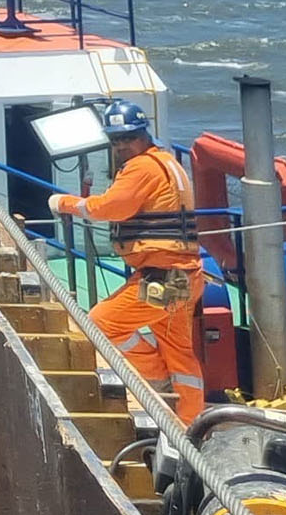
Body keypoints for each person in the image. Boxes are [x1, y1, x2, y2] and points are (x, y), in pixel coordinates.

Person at [50, 101, 208, 423]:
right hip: (184, 275)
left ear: (143, 134)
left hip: (165, 278)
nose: (121, 145)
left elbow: (111, 207)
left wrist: (65, 203)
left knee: (101, 323)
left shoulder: (141, 168)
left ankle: (157, 379)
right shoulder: (167, 162)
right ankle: (190, 423)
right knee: (179, 352)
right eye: (115, 139)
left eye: (128, 137)